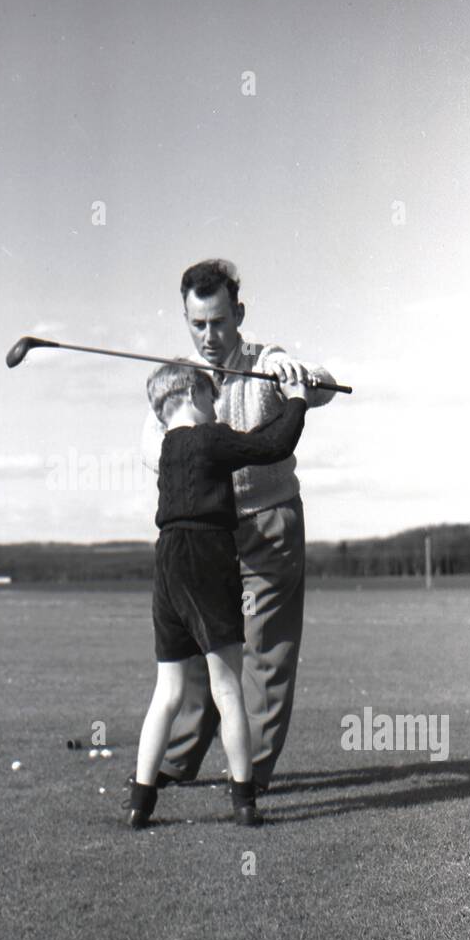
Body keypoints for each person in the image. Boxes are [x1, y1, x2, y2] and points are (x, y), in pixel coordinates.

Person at [139, 259, 336, 793]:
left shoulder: (266, 362)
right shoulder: (183, 379)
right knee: (204, 653)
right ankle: (177, 763)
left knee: (264, 652)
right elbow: (149, 447)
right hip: (210, 537)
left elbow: (320, 387)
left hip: (269, 524)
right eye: (197, 324)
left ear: (238, 314)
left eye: (219, 322)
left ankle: (250, 777)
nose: (209, 336)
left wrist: (302, 378)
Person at [127, 359, 311, 830]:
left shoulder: (167, 449)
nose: (217, 405)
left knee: (166, 692)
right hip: (209, 556)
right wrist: (296, 400)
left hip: (167, 561)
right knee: (226, 686)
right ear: (191, 396)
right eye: (212, 396)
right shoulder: (211, 438)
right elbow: (271, 445)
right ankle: (244, 802)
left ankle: (140, 803)